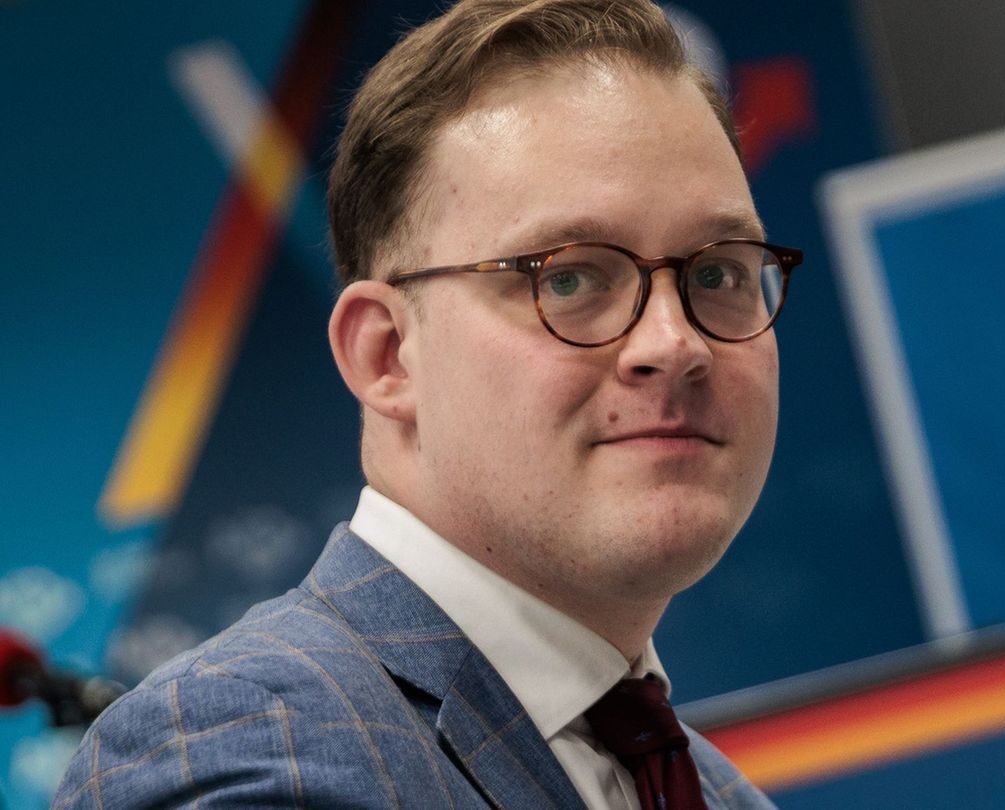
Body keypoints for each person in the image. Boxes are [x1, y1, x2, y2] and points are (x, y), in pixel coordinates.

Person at [52, 1, 801, 806]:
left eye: (717, 273)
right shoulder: (252, 751)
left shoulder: (721, 794)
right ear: (388, 356)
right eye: (570, 277)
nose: (674, 342)